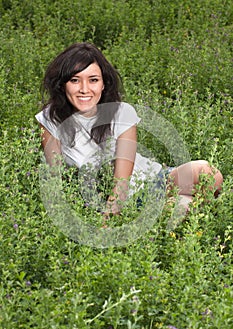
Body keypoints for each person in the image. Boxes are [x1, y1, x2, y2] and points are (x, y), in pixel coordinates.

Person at [35, 42, 223, 222]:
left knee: (209, 173)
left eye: (93, 80)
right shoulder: (50, 120)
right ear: (62, 84)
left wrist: (111, 214)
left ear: (103, 84)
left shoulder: (121, 112)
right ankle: (170, 211)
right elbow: (57, 179)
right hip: (125, 201)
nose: (84, 89)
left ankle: (170, 207)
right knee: (183, 207)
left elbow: (122, 182)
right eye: (74, 80)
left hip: (154, 180)